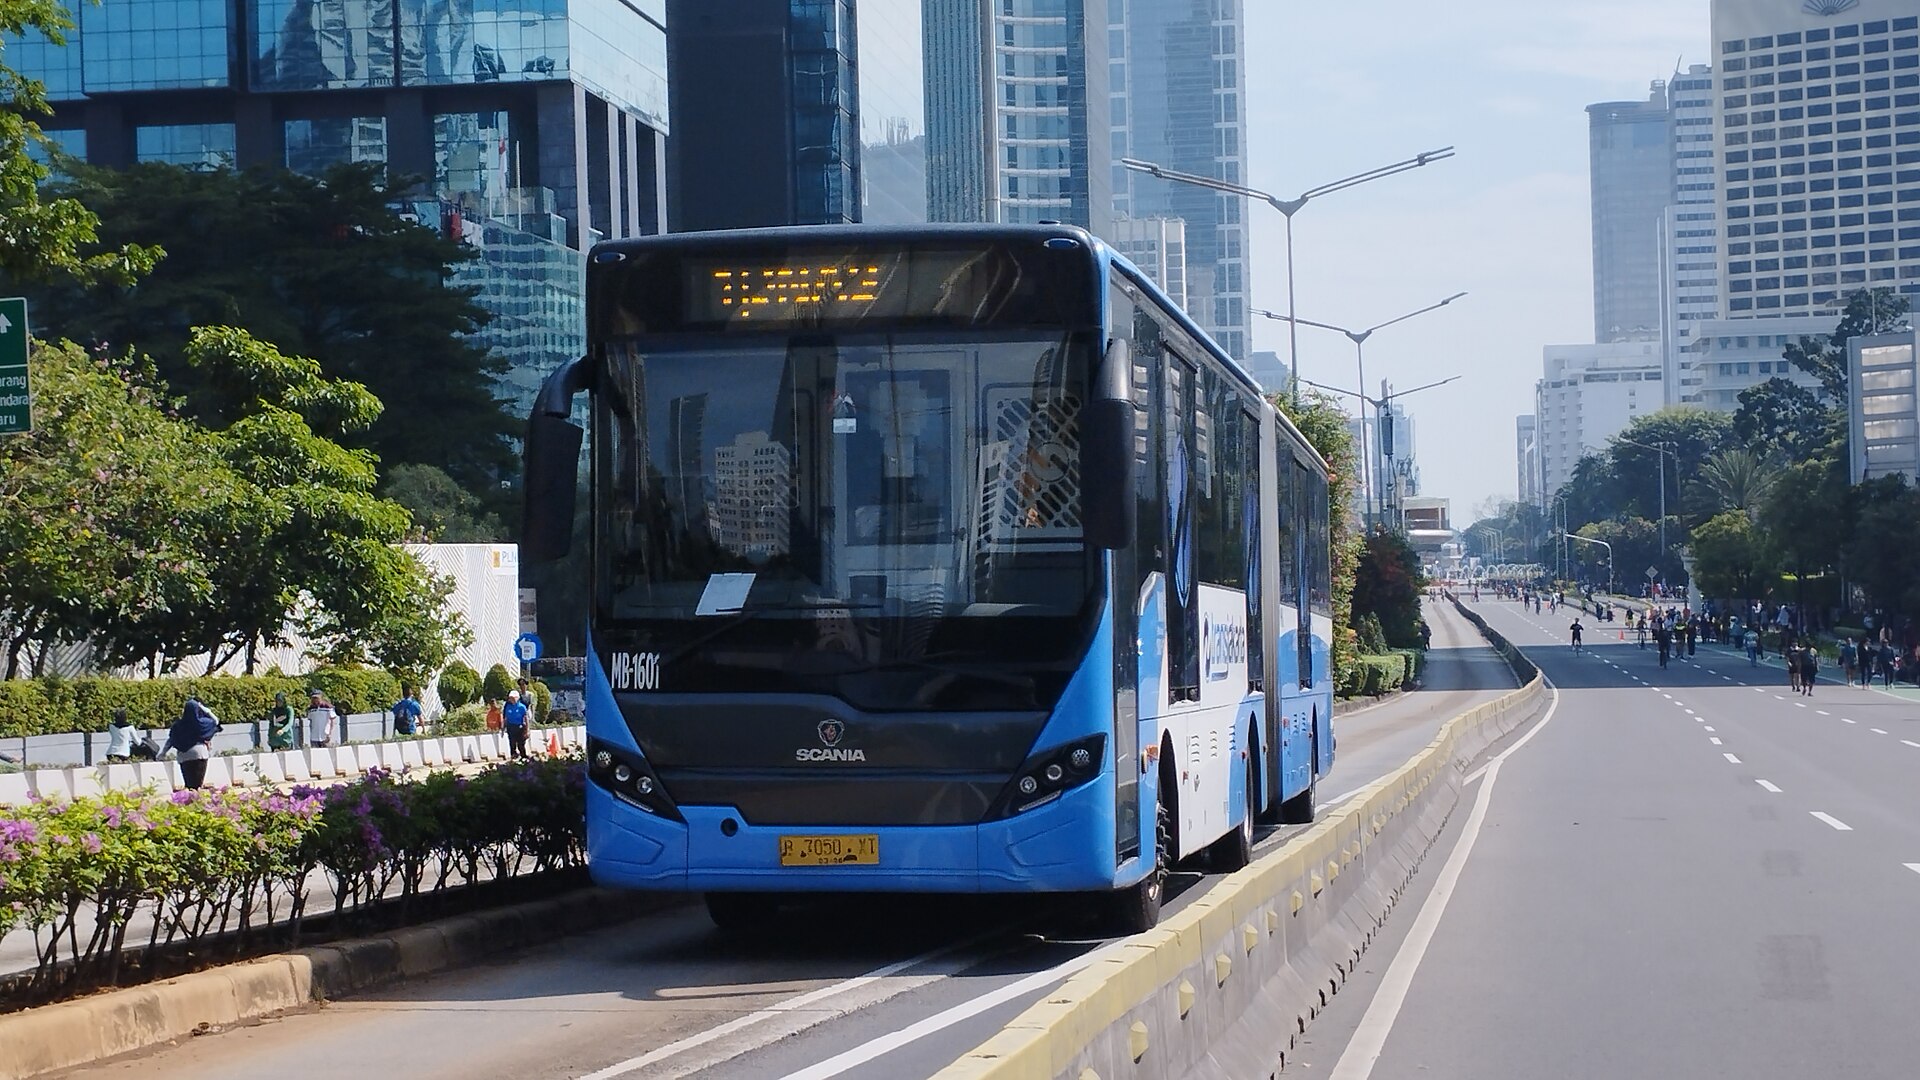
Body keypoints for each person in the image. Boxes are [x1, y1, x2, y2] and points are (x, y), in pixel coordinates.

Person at [166, 695, 220, 790]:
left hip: (184, 756)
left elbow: (171, 740)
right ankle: (197, 800)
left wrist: (162, 753)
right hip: (200, 753)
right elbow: (215, 721)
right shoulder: (202, 723)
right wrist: (207, 710)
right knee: (198, 785)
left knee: (189, 784)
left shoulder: (178, 725)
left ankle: (189, 801)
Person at [502, 689, 531, 758]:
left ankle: (523, 756)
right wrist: (503, 727)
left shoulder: (522, 707)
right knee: (512, 743)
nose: (512, 699)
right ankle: (514, 756)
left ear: (517, 698)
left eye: (513, 698)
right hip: (511, 727)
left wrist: (527, 730)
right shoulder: (508, 706)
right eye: (510, 698)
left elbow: (526, 719)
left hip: (520, 727)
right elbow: (505, 717)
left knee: (521, 744)